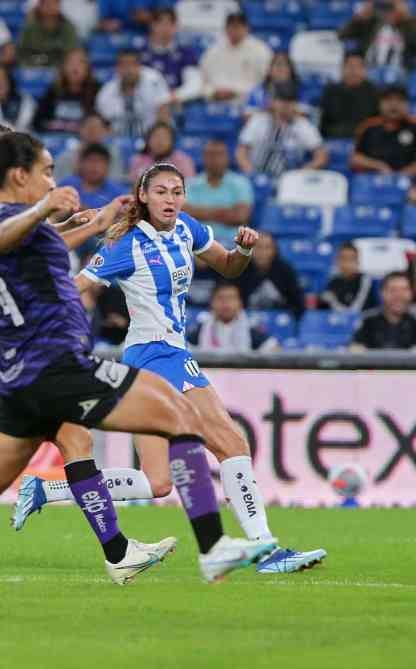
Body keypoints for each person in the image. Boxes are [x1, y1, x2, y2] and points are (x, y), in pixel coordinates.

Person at [0, 126, 184, 583]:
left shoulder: (14, 210)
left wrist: (73, 223)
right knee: (75, 439)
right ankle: (118, 550)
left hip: (11, 340)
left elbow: (36, 244)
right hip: (4, 339)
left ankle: (119, 550)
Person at [64, 162, 324, 573]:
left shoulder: (187, 227)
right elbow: (75, 287)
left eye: (177, 191)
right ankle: (265, 548)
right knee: (231, 444)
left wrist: (242, 250)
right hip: (154, 355)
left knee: (157, 480)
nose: (171, 199)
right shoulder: (126, 244)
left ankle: (52, 490)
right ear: (143, 196)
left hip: (165, 354)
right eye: (162, 192)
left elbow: (228, 267)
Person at [236, 84, 328, 178]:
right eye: (281, 100)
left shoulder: (303, 125)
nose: (286, 105)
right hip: (257, 175)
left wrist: (302, 173)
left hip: (290, 180)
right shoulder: (258, 120)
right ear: (272, 101)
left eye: (290, 101)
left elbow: (321, 156)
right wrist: (251, 173)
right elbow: (241, 152)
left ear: (296, 104)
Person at [352, 84, 416, 177]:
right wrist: (378, 166)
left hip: (409, 182)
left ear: (407, 104)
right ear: (380, 103)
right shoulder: (368, 127)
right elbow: (355, 158)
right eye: (388, 99)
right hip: (373, 181)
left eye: (399, 100)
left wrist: (401, 176)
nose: (393, 104)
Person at [184, 140, 254, 238]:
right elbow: (184, 214)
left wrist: (200, 212)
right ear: (203, 157)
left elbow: (240, 216)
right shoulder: (191, 184)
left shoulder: (241, 182)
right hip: (197, 242)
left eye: (219, 155)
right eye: (210, 155)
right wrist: (225, 212)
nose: (215, 159)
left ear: (227, 158)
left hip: (232, 242)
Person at [199, 12, 273, 105]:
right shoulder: (212, 51)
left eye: (238, 27)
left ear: (246, 28)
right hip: (215, 102)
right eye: (231, 26)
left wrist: (237, 92)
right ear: (225, 28)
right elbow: (202, 81)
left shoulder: (261, 51)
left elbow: (266, 82)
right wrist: (213, 92)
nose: (234, 31)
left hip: (248, 103)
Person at [96, 49, 170, 139]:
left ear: (139, 66)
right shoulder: (106, 93)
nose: (129, 70)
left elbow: (164, 115)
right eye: (124, 65)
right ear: (117, 68)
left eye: (133, 64)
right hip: (118, 139)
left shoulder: (154, 81)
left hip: (152, 138)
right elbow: (102, 125)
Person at [351, 271, 416, 351]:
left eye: (404, 290)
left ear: (411, 294)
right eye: (393, 290)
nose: (398, 296)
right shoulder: (367, 322)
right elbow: (356, 350)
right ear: (382, 293)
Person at [339, 0, 416, 72]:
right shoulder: (372, 22)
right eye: (386, 7)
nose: (388, 12)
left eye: (391, 7)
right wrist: (360, 17)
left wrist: (406, 19)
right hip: (369, 72)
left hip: (400, 74)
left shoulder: (412, 23)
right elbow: (343, 35)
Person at [232, 232, 305, 317]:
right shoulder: (239, 269)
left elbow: (298, 303)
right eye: (258, 247)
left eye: (267, 247)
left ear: (274, 250)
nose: (262, 252)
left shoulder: (286, 272)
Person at [33, 48, 101, 135]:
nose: (75, 68)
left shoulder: (97, 92)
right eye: (71, 63)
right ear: (64, 67)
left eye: (80, 63)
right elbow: (37, 122)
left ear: (88, 68)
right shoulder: (53, 92)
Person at [191, 283, 276, 353]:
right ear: (212, 303)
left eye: (230, 298)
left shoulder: (250, 328)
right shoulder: (202, 328)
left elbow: (274, 348)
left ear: (240, 303)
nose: (225, 303)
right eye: (220, 298)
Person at [142, 8, 200, 102]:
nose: (165, 28)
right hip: (149, 104)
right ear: (152, 25)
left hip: (178, 102)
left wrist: (176, 96)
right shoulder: (141, 53)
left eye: (169, 24)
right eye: (160, 23)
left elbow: (194, 84)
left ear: (176, 27)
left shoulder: (186, 52)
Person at [319, 53, 381, 139]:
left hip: (365, 140)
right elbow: (324, 123)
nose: (354, 71)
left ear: (365, 71)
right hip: (335, 138)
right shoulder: (331, 90)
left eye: (358, 67)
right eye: (350, 66)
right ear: (342, 69)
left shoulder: (375, 92)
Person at [54, 113, 127, 183]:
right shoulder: (66, 157)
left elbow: (116, 181)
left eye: (97, 128)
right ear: (80, 130)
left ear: (105, 132)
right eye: (89, 128)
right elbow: (59, 183)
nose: (93, 132)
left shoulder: (113, 155)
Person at [59, 143, 129, 212]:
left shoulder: (119, 194)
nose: (94, 166)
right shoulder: (66, 185)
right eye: (90, 160)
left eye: (100, 161)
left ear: (107, 166)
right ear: (81, 164)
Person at [16, 0, 79, 68]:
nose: (50, 7)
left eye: (54, 3)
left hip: (60, 67)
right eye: (47, 3)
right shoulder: (29, 27)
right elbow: (22, 53)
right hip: (33, 66)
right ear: (40, 5)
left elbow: (71, 53)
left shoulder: (68, 27)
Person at [318, 242, 378, 312]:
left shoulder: (365, 280)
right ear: (337, 261)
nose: (347, 263)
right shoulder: (333, 282)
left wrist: (332, 301)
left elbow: (355, 310)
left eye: (351, 259)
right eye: (343, 258)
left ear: (358, 261)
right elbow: (322, 309)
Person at [128, 121, 196, 183]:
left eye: (164, 137)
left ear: (172, 141)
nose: (160, 141)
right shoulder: (138, 160)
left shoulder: (183, 161)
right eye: (156, 136)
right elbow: (134, 186)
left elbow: (189, 187)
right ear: (148, 139)